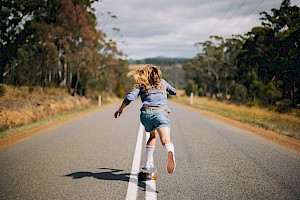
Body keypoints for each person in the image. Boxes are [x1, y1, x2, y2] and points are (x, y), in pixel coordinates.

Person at [114, 64, 177, 174]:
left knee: (152, 135)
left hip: (146, 114)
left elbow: (130, 97)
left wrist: (120, 109)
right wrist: (168, 90)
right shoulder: (163, 83)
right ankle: (170, 151)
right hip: (160, 113)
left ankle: (148, 164)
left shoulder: (140, 85)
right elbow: (174, 91)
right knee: (165, 140)